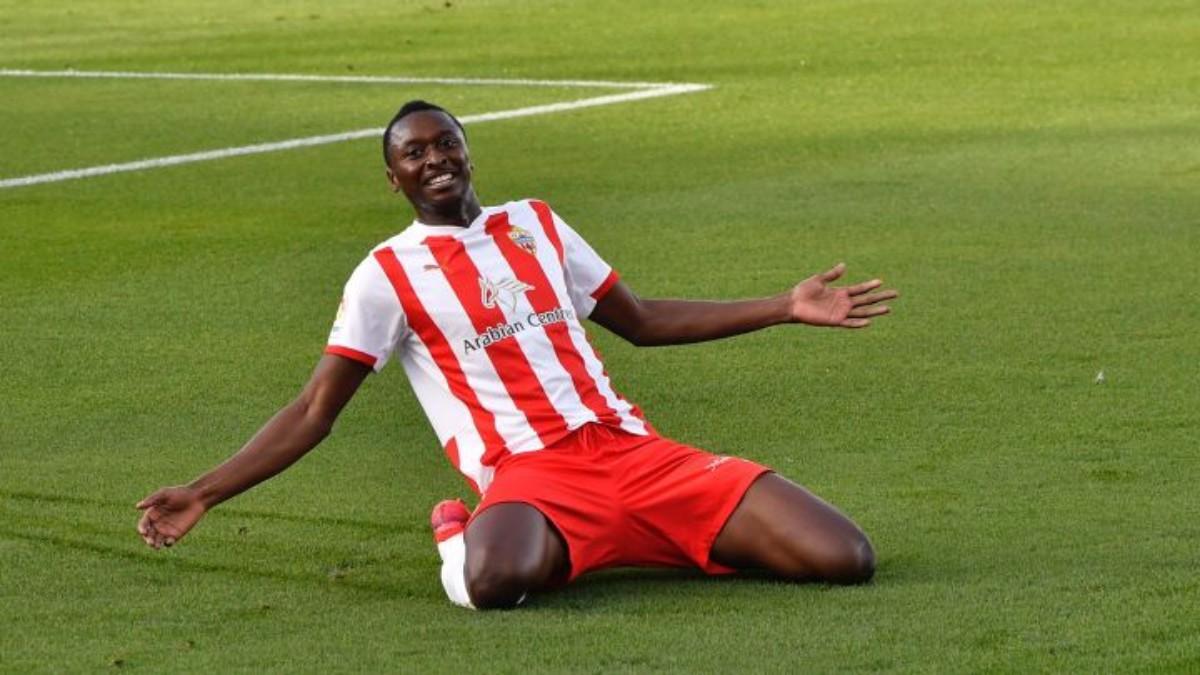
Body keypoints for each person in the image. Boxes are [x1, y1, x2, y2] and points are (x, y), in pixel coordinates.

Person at [137, 100, 899, 610]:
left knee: (844, 556)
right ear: (393, 178)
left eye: (445, 142)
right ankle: (458, 538)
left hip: (633, 452)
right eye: (413, 152)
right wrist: (204, 492)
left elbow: (642, 320)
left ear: (467, 151)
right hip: (530, 475)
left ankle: (634, 533)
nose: (435, 158)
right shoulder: (385, 274)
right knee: (495, 580)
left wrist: (784, 305)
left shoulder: (535, 223)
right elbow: (313, 410)